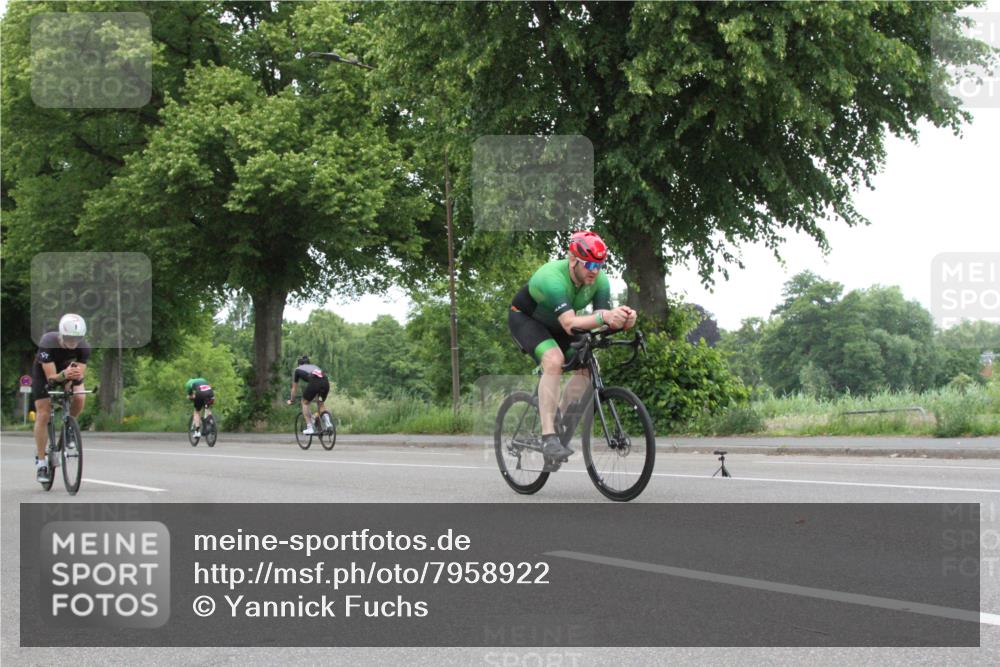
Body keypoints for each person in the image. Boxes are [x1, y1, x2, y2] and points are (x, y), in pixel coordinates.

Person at [508, 231, 636, 464]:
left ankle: (561, 420)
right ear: (573, 259)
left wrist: (623, 320)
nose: (594, 270)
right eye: (589, 264)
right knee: (554, 360)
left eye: (599, 264)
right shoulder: (552, 278)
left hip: (557, 325)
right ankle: (549, 437)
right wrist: (605, 317)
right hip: (526, 320)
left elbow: (598, 317)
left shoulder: (599, 281)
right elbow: (569, 323)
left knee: (587, 364)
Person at [32, 313, 91, 483]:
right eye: (69, 338)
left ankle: (69, 429)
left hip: (67, 372)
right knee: (43, 413)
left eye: (77, 338)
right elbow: (51, 378)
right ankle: (42, 462)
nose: (73, 342)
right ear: (61, 334)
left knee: (79, 396)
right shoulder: (47, 343)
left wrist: (70, 382)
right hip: (46, 374)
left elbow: (78, 376)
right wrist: (63, 375)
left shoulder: (83, 348)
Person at [286, 355, 331, 435]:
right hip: (325, 382)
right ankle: (328, 424)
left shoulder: (297, 370)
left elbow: (294, 389)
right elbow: (319, 380)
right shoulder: (315, 366)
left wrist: (292, 400)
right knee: (320, 403)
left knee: (304, 402)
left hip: (314, 383)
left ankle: (310, 427)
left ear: (299, 365)